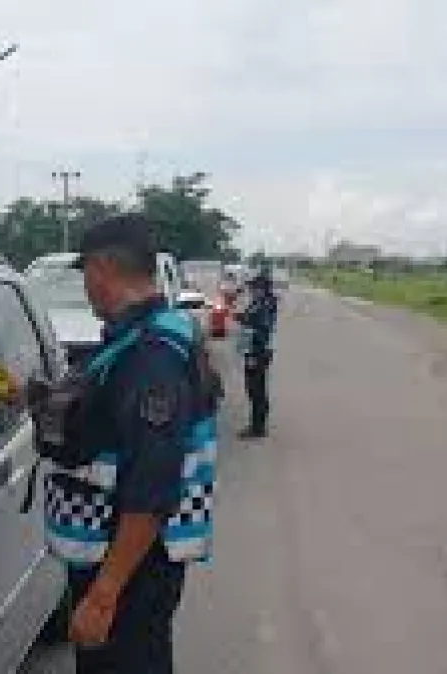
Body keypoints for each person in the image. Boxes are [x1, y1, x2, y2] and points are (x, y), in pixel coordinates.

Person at [39, 214, 221, 673]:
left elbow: (152, 490)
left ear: (101, 269)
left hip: (131, 567)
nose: (86, 287)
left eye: (85, 274)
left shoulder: (151, 359)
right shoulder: (141, 338)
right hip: (124, 561)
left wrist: (103, 597)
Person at [235, 267, 278, 439]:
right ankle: (257, 424)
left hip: (257, 352)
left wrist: (246, 322)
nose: (251, 290)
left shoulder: (265, 305)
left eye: (254, 287)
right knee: (254, 388)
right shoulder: (259, 303)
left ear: (262, 289)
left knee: (256, 389)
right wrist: (242, 317)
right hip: (254, 351)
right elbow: (250, 319)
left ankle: (257, 427)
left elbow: (261, 329)